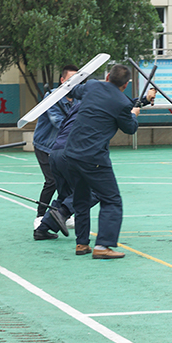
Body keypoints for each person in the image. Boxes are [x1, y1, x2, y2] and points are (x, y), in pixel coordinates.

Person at [64, 65, 141, 259]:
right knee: (112, 200)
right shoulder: (122, 102)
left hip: (72, 152)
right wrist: (134, 114)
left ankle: (81, 244)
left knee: (81, 199)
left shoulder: (92, 86)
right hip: (94, 157)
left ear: (107, 76)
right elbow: (130, 128)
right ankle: (103, 246)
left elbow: (73, 90)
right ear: (125, 85)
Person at [32, 65, 80, 231]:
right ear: (62, 80)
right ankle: (40, 216)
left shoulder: (79, 99)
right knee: (51, 181)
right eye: (70, 79)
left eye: (77, 80)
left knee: (66, 182)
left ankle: (63, 214)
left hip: (63, 148)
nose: (73, 83)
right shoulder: (51, 97)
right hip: (45, 145)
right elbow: (58, 122)